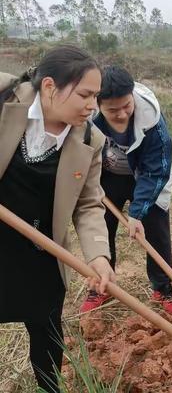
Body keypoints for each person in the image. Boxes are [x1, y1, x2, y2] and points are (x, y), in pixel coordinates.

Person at [0, 45, 115, 393]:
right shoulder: (4, 98)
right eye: (85, 94)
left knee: (47, 331)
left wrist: (99, 255)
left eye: (96, 96)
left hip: (41, 248)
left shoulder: (90, 139)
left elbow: (89, 204)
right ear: (49, 87)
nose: (93, 105)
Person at [79, 66, 172, 315]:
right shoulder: (86, 118)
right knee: (101, 229)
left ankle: (163, 289)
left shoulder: (152, 120)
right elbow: (80, 155)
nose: (122, 114)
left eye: (126, 106)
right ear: (98, 104)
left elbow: (156, 170)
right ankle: (101, 286)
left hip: (145, 177)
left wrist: (137, 212)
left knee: (156, 231)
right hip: (108, 177)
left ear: (132, 97)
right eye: (112, 110)